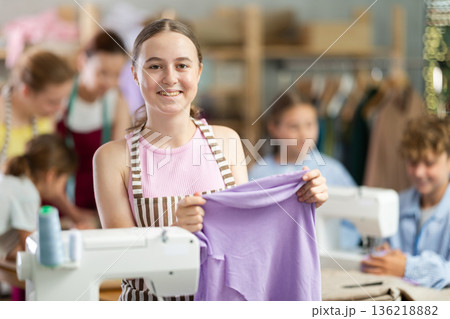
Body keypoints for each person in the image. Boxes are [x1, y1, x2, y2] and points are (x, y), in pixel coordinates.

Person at [93, 19, 328, 300]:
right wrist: (174, 234)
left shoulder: (226, 142)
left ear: (199, 71)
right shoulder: (112, 159)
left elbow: (247, 242)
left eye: (182, 65)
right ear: (134, 74)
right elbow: (121, 263)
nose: (169, 78)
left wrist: (300, 199)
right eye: (155, 66)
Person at [249, 90, 359, 249]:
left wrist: (331, 249)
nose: (304, 134)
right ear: (273, 127)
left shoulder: (333, 171)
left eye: (310, 124)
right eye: (294, 126)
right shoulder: (258, 173)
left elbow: (353, 223)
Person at [361, 115, 450, 289]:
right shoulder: (396, 203)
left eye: (429, 163)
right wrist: (381, 256)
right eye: (413, 162)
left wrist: (407, 268)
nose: (419, 172)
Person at [57, 30, 130, 214]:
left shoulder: (118, 104)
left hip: (100, 205)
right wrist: (73, 215)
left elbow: (119, 166)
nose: (109, 82)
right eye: (102, 73)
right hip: (58, 201)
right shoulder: (59, 97)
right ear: (82, 62)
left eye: (116, 75)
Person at [0, 134, 77, 300]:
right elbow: (34, 251)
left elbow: (11, 251)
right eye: (64, 181)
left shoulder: (13, 182)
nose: (63, 189)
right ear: (51, 175)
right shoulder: (27, 193)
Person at [0, 48, 74, 171]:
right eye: (52, 102)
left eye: (63, 100)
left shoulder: (46, 118)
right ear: (26, 91)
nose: (59, 108)